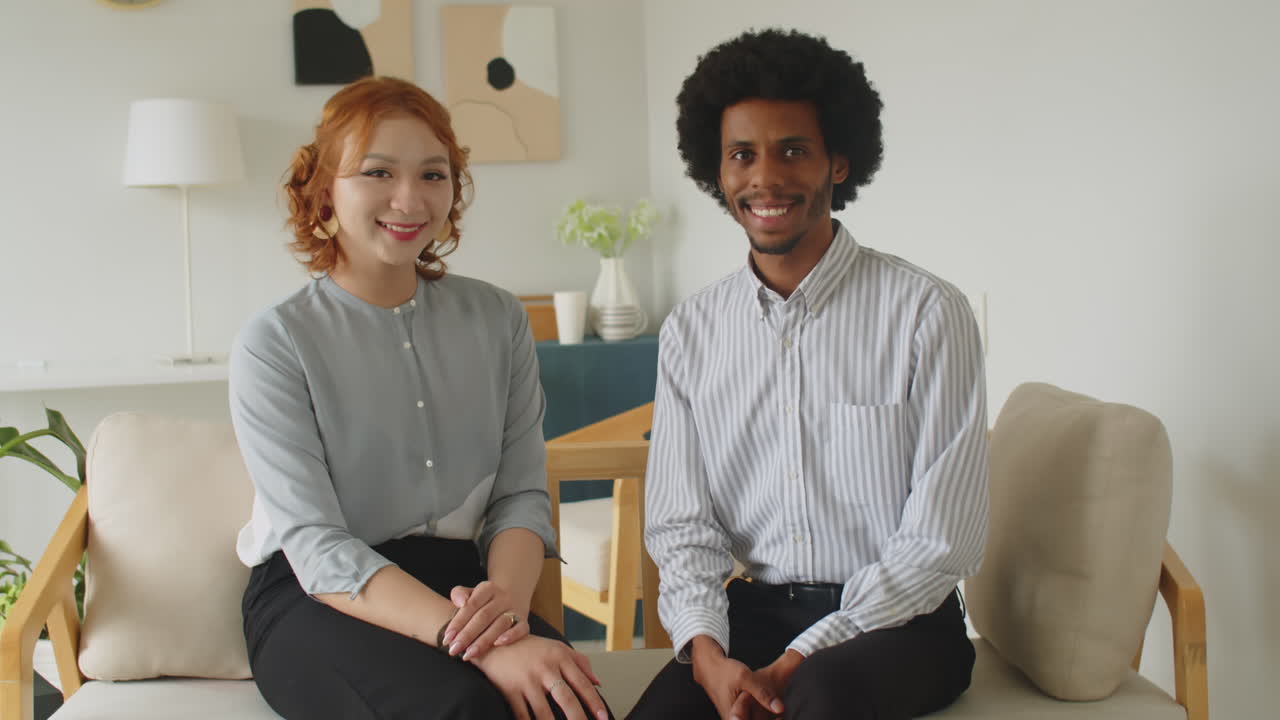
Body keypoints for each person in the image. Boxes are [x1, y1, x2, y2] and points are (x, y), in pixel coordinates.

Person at [631, 29, 988, 720]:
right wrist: (706, 653)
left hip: (903, 625)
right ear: (718, 171)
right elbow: (682, 528)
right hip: (754, 614)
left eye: (793, 150)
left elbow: (943, 540)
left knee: (817, 699)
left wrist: (801, 657)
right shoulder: (690, 332)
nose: (765, 177)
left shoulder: (928, 315)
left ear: (839, 163)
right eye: (742, 155)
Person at [230, 76, 610, 720]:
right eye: (378, 172)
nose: (409, 199)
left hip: (472, 582)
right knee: (459, 707)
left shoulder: (498, 319)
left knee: (573, 704)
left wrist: (508, 611)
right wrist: (481, 647)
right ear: (324, 192)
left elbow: (520, 495)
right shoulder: (276, 342)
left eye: (433, 175)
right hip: (318, 595)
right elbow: (319, 548)